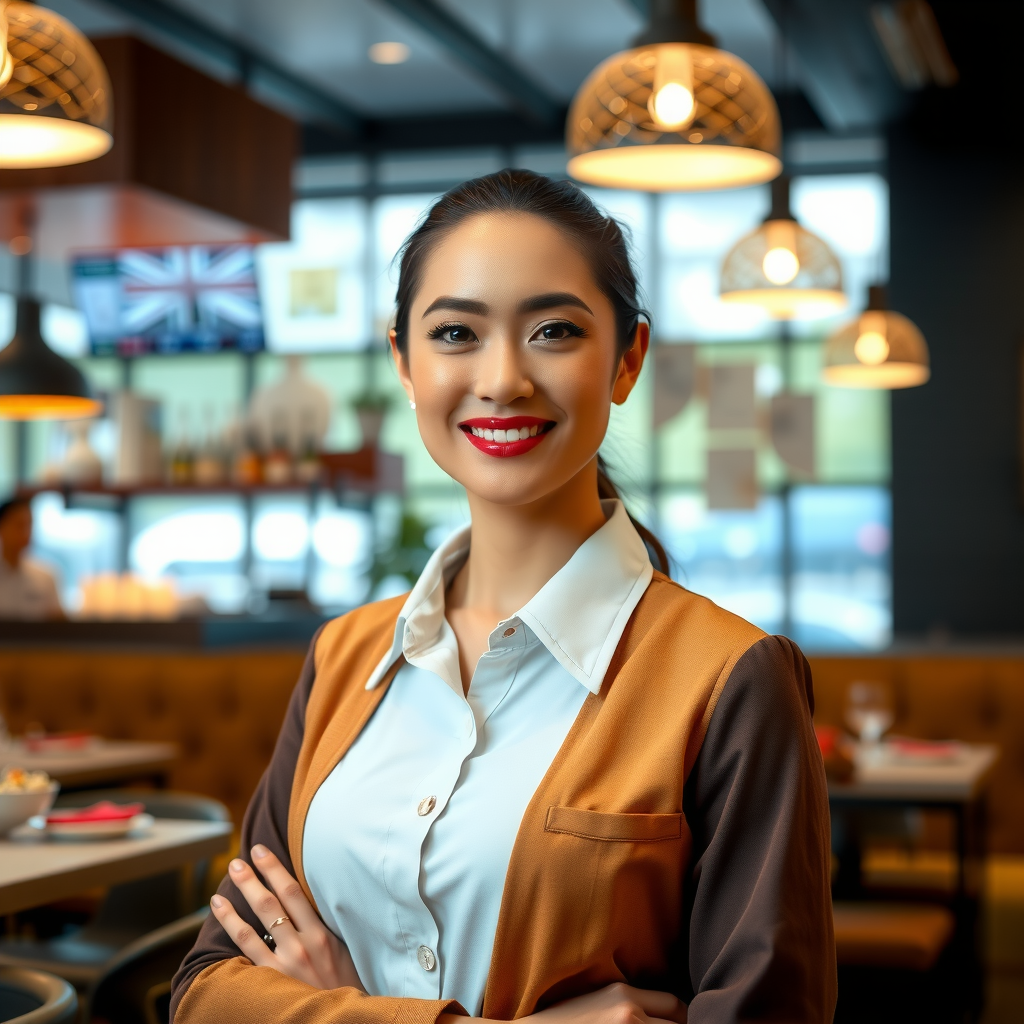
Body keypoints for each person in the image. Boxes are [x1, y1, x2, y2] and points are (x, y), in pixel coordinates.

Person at [171, 171, 835, 1024]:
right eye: (455, 333)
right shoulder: (345, 657)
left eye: (555, 330)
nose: (503, 379)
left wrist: (322, 1009)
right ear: (404, 364)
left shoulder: (729, 679)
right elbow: (204, 993)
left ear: (627, 359)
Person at [0, 497, 63, 620]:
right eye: (19, 525)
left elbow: (58, 625)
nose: (26, 532)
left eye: (29, 525)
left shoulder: (46, 576)